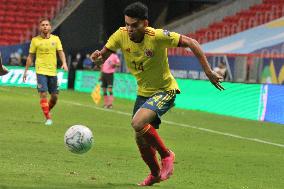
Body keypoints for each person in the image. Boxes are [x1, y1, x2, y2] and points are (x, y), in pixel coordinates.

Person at [90, 2, 224, 186]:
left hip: (165, 90)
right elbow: (102, 57)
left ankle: (167, 155)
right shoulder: (120, 35)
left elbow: (192, 43)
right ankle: (155, 174)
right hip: (143, 93)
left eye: (134, 25)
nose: (129, 29)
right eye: (127, 24)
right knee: (140, 137)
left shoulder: (157, 36)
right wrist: (97, 59)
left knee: (138, 123)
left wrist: (208, 72)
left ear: (145, 23)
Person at [23, 19, 68, 126]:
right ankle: (48, 118)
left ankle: (47, 110)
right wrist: (26, 71)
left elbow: (60, 52)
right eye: (43, 25)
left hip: (53, 71)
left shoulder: (56, 39)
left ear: (50, 27)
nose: (45, 27)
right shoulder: (35, 41)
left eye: (47, 25)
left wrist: (64, 63)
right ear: (40, 27)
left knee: (55, 97)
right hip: (40, 71)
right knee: (43, 94)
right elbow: (30, 57)